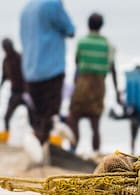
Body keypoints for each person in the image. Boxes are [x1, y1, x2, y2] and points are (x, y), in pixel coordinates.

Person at [19, 0, 74, 149]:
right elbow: (70, 30)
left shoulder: (26, 8)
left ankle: (41, 148)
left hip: (30, 71)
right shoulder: (53, 4)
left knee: (37, 116)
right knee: (50, 115)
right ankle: (44, 150)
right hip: (51, 69)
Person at [65, 12, 121, 153]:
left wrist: (74, 83)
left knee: (74, 116)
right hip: (99, 86)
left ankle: (73, 149)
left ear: (88, 24)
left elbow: (77, 64)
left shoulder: (82, 42)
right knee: (95, 123)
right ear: (101, 26)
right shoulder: (108, 45)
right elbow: (113, 69)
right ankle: (96, 153)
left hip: (83, 83)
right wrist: (116, 92)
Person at [0, 38, 28, 132]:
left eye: (8, 46)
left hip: (25, 93)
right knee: (6, 117)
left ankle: (36, 136)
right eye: (5, 47)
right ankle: (7, 135)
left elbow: (28, 75)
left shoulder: (20, 58)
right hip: (15, 93)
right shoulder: (6, 61)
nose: (7, 48)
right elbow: (3, 77)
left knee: (33, 117)